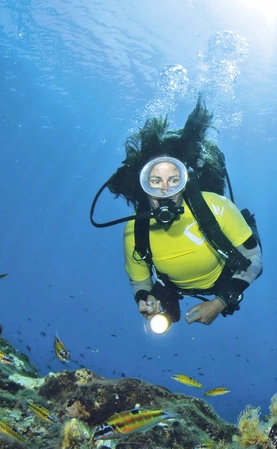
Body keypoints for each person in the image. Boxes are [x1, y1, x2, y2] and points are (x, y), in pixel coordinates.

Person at [100, 98, 262, 328]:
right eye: (155, 181)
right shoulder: (134, 230)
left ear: (184, 182)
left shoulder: (216, 206)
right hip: (173, 287)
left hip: (226, 276)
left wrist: (220, 302)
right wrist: (145, 299)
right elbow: (140, 280)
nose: (165, 190)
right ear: (143, 183)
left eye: (173, 181)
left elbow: (255, 259)